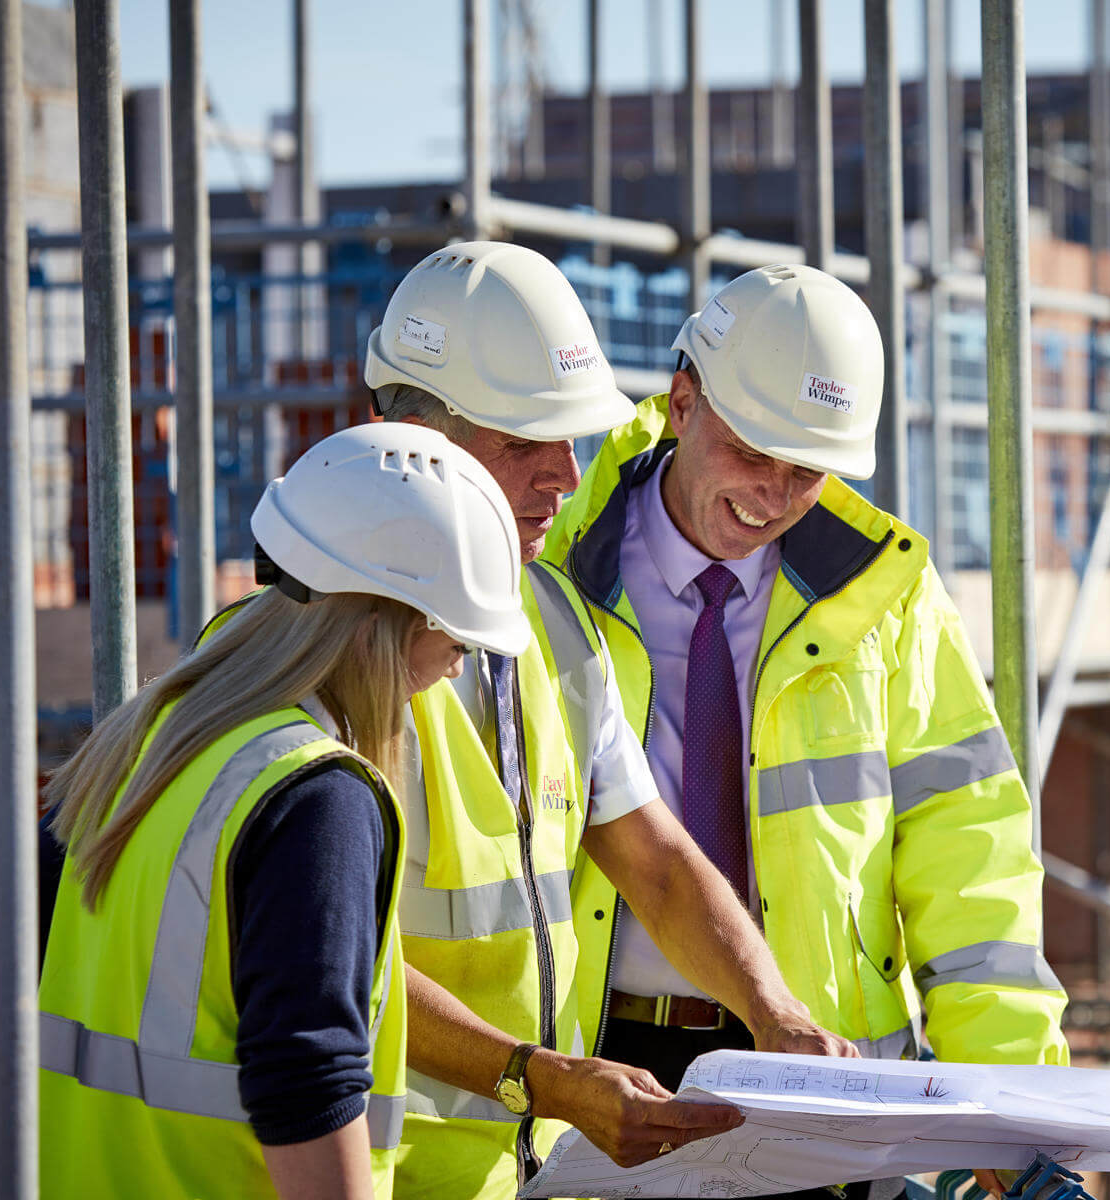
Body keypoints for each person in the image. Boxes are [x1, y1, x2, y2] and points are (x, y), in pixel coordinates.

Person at [543, 264, 1073, 1200]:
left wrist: (1015, 1101)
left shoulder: (889, 600)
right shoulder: (553, 574)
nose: (776, 494)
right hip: (604, 1064)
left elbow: (971, 856)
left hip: (820, 1079)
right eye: (755, 451)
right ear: (681, 403)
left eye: (808, 468)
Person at [360, 241, 855, 1200]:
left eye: (572, 439)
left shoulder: (553, 622)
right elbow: (337, 963)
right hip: (374, 1166)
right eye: (521, 444)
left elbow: (660, 865)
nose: (563, 474)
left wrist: (774, 1014)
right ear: (406, 435)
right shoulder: (313, 657)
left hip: (518, 1171)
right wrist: (541, 1079)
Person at [37, 423, 530, 1200]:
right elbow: (308, 1083)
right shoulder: (317, 798)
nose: (460, 663)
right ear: (383, 628)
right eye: (456, 634)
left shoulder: (144, 742)